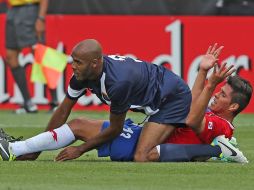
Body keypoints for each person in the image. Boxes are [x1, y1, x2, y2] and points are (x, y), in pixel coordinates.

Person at [0, 44, 251, 163]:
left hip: (163, 105)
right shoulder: (86, 74)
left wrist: (81, 149)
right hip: (153, 116)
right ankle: (21, 149)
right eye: (73, 61)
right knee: (77, 123)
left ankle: (219, 153)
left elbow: (191, 119)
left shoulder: (220, 126)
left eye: (223, 95)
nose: (72, 66)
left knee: (143, 155)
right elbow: (193, 106)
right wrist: (201, 73)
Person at [5, 0, 58, 113]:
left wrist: (41, 18)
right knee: (11, 56)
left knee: (39, 53)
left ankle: (55, 102)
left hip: (30, 10)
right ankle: (28, 103)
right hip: (12, 10)